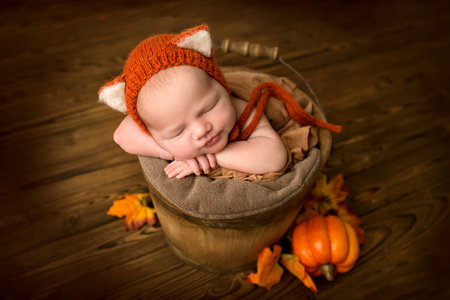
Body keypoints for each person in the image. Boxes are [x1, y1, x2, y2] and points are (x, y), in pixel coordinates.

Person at [98, 25, 340, 179]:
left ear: (222, 87)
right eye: (178, 131)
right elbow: (121, 136)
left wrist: (214, 157)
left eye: (208, 108)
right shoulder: (160, 117)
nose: (201, 129)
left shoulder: (242, 109)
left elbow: (275, 157)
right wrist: (173, 152)